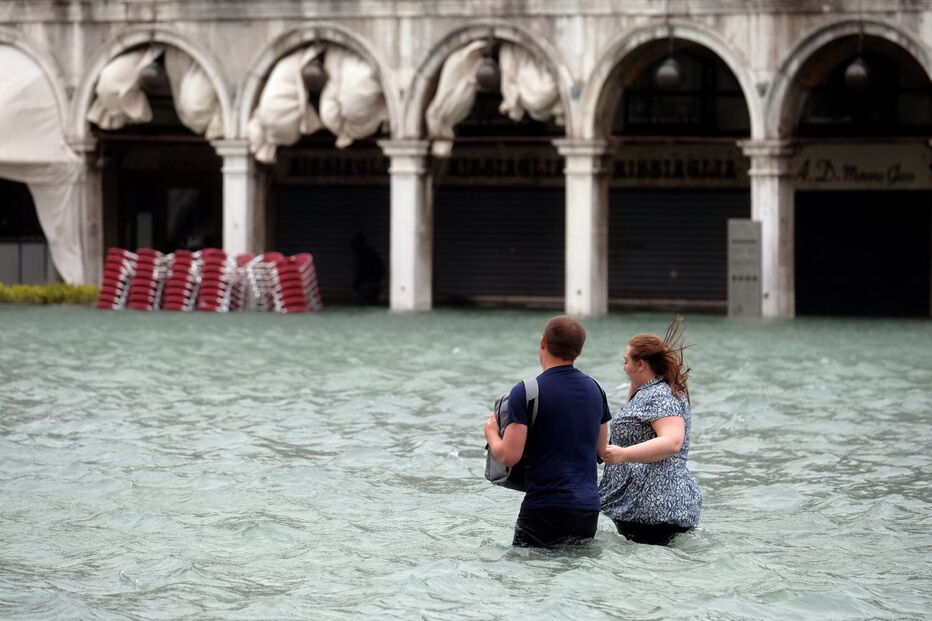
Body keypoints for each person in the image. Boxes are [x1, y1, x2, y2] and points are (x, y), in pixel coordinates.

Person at [484, 315, 611, 548]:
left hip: (544, 506)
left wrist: (491, 433)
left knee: (526, 575)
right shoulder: (596, 389)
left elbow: (509, 455)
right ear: (579, 351)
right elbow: (601, 452)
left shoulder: (526, 391)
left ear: (543, 342)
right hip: (587, 509)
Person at [598, 316, 702, 545]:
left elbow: (672, 442)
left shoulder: (659, 395)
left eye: (626, 362)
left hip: (656, 508)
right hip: (650, 507)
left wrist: (622, 455)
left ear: (641, 364)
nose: (623, 367)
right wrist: (635, 382)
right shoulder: (654, 390)